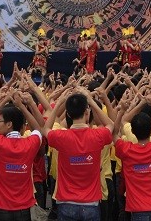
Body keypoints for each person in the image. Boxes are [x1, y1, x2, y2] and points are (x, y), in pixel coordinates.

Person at [42, 89, 114, 221]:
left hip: (66, 202)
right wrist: (91, 101)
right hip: (91, 203)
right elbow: (110, 124)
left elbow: (46, 129)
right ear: (87, 112)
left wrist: (58, 105)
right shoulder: (98, 135)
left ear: (68, 114)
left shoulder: (60, 136)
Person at [114, 96, 151, 221]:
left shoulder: (126, 150)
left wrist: (121, 112)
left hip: (138, 210)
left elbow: (114, 133)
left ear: (132, 131)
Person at [0, 91, 43, 221]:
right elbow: (38, 129)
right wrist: (22, 106)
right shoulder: (30, 143)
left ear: (9, 124)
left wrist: (2, 101)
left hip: (1, 208)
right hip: (24, 209)